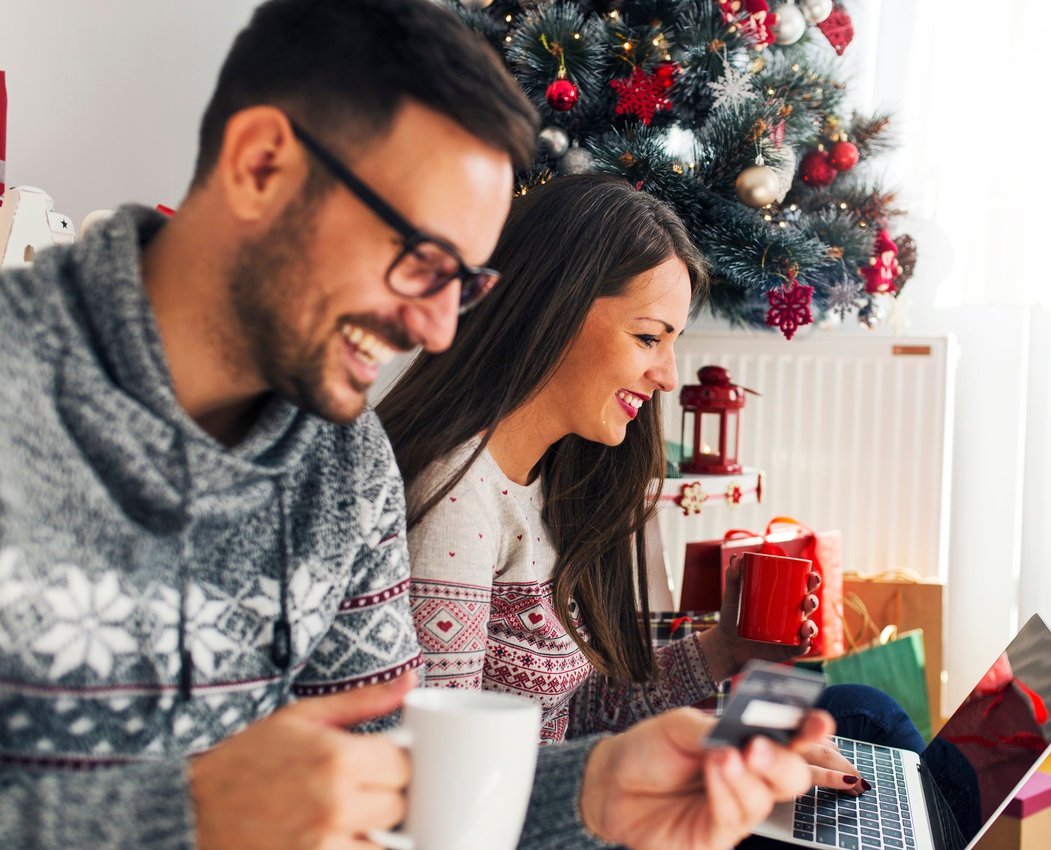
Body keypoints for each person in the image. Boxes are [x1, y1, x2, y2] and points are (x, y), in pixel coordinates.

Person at [0, 1, 833, 849]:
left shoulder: (345, 463)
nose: (437, 331)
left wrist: (594, 790)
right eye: (420, 261)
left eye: (461, 284)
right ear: (261, 166)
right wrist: (183, 819)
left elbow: (401, 781)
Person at [378, 174, 904, 790]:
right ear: (553, 310)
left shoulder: (550, 480)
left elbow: (574, 717)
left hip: (581, 806)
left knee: (865, 714)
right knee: (870, 724)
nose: (667, 375)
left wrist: (725, 649)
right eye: (649, 337)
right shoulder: (456, 501)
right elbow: (446, 786)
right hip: (551, 824)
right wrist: (697, 773)